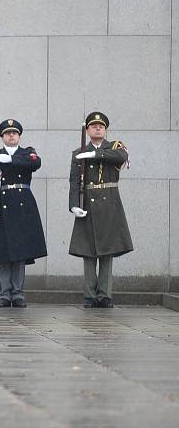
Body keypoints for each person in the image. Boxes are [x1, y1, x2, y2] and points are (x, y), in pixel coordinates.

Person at [69, 112, 133, 308]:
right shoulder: (78, 152)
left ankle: (105, 295)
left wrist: (96, 154)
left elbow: (121, 156)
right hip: (87, 202)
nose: (98, 128)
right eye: (94, 126)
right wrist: (74, 205)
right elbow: (74, 182)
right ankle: (89, 295)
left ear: (105, 130)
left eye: (101, 126)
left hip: (109, 203)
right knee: (88, 251)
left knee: (107, 251)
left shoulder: (114, 147)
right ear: (87, 130)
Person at [0, 119, 47, 308]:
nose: (11, 136)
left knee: (20, 253)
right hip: (1, 203)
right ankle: (4, 294)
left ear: (19, 136)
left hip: (22, 206)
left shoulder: (27, 152)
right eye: (7, 133)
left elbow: (35, 163)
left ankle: (18, 294)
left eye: (14, 133)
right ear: (2, 137)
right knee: (2, 253)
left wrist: (10, 159)